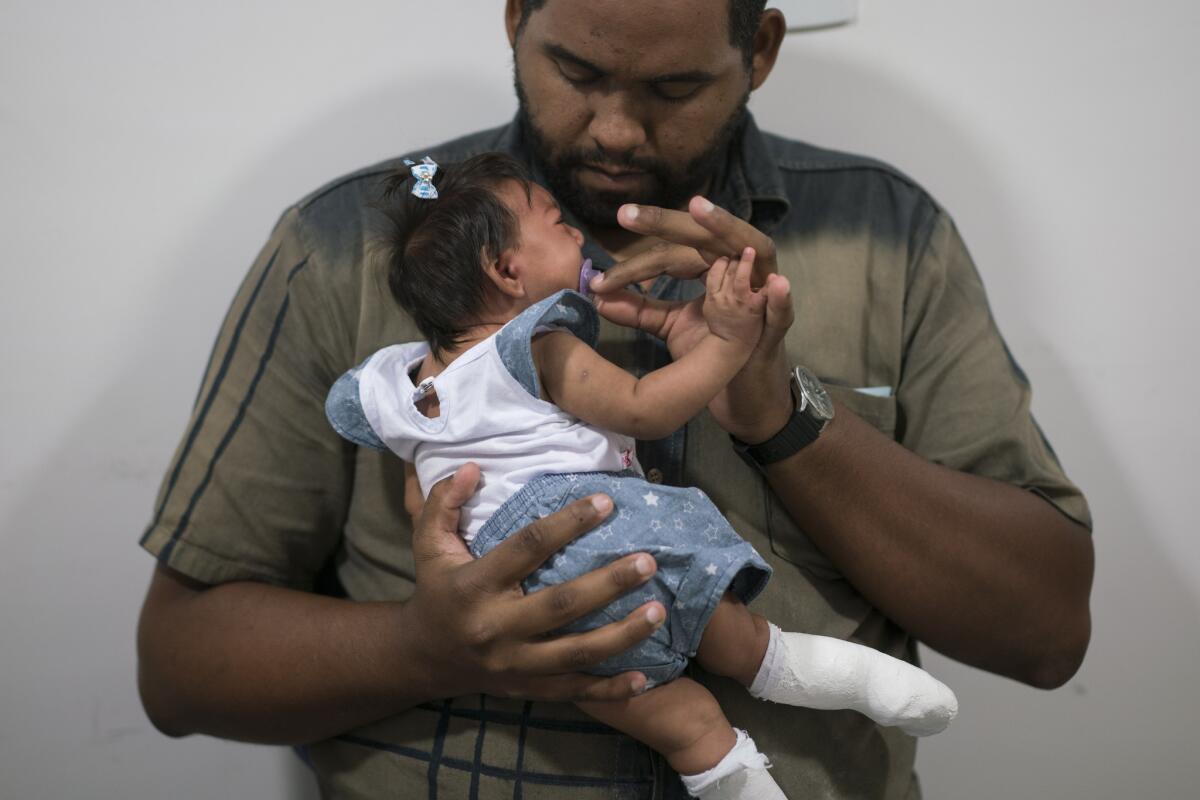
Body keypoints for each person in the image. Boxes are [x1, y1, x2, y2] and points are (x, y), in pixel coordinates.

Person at [135, 1, 1095, 797]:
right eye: (579, 73)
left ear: (758, 50)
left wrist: (778, 408)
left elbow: (1045, 633)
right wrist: (428, 647)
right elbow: (180, 669)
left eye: (674, 88)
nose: (616, 130)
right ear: (515, 20)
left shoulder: (891, 238)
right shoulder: (342, 247)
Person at [323, 152, 959, 798]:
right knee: (748, 644)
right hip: (604, 537)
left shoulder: (400, 388)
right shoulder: (536, 346)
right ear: (506, 270)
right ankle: (842, 677)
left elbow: (424, 502)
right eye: (555, 222)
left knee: (686, 727)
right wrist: (731, 344)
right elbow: (642, 408)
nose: (575, 232)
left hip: (523, 609)